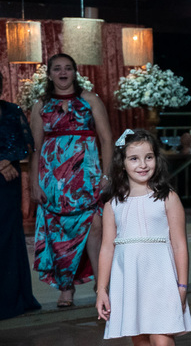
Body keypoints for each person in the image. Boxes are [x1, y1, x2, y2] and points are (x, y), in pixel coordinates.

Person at [95, 129, 191, 346]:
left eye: (148, 157)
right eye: (134, 158)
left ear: (157, 160)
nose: (142, 164)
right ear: (122, 162)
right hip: (129, 280)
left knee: (162, 341)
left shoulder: (167, 197)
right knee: (140, 343)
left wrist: (182, 286)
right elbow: (107, 246)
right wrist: (102, 288)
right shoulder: (113, 204)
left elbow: (179, 244)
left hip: (161, 277)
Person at [30, 53, 112, 308]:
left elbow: (107, 140)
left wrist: (107, 175)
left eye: (68, 68)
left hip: (87, 178)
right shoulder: (40, 105)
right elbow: (35, 147)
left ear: (75, 72)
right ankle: (66, 289)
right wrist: (34, 183)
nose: (63, 73)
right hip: (52, 181)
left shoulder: (90, 100)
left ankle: (103, 288)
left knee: (95, 230)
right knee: (59, 236)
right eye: (57, 68)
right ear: (50, 74)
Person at [0, 90, 41, 320]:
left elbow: (27, 144)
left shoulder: (12, 110)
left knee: (8, 238)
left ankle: (12, 299)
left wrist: (5, 160)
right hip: (4, 174)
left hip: (7, 184)